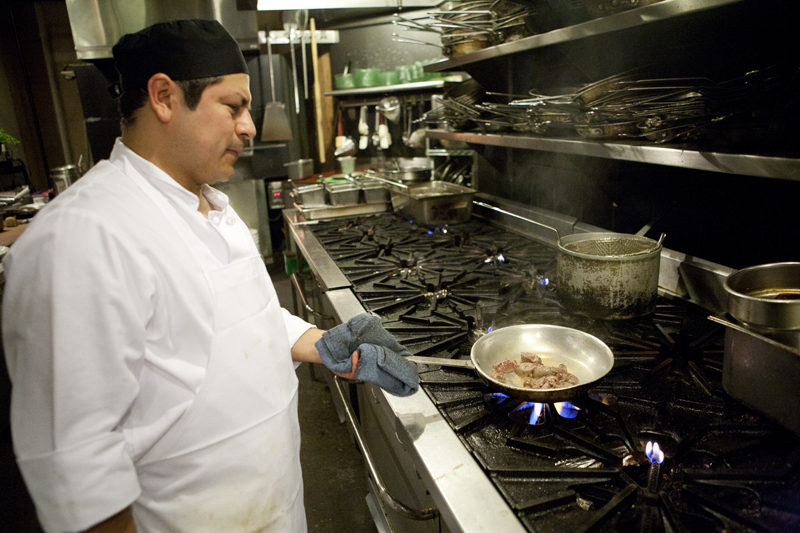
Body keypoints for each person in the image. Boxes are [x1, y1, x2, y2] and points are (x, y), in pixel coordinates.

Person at [2, 20, 417, 533]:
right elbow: (77, 470)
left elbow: (233, 317)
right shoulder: (82, 240)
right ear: (163, 97)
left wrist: (316, 341)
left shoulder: (212, 207)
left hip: (274, 510)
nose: (249, 127)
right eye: (233, 106)